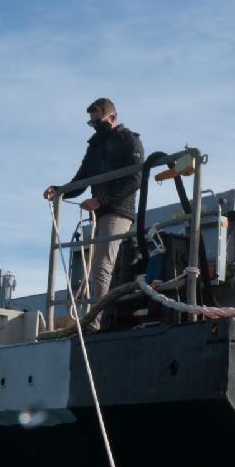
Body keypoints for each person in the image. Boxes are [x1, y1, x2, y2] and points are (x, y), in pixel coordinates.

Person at [44, 97, 144, 330]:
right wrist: (59, 192)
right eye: (92, 124)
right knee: (97, 269)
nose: (96, 127)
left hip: (118, 212)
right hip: (98, 213)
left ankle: (96, 324)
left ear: (113, 118)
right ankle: (95, 319)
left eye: (99, 122)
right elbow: (81, 179)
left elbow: (134, 180)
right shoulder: (95, 145)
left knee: (101, 267)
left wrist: (100, 200)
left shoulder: (129, 141)